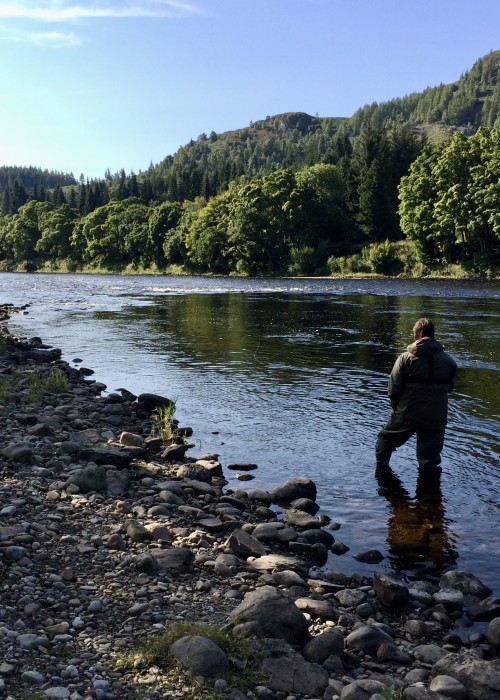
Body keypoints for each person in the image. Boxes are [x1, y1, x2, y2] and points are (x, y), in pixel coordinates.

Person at [375, 317, 457, 473]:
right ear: (433, 335)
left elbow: (393, 388)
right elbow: (450, 387)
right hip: (436, 414)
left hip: (407, 411)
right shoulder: (449, 361)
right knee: (429, 459)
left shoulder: (404, 358)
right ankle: (428, 493)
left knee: (385, 440)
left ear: (415, 335)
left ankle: (382, 475)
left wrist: (396, 408)